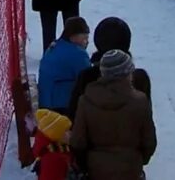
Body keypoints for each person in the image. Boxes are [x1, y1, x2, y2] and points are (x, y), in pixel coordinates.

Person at [68, 49, 157, 180]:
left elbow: (78, 141)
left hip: (96, 170)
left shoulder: (86, 100)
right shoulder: (140, 101)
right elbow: (149, 142)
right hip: (131, 169)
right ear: (127, 73)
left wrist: (87, 164)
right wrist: (138, 160)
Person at [68, 17, 152, 120]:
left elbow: (74, 118)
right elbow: (147, 123)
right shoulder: (140, 79)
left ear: (97, 41)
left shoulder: (86, 77)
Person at [37, 16, 91, 114]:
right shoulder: (78, 54)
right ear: (73, 37)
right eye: (84, 38)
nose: (87, 42)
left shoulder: (54, 47)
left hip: (46, 102)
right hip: (61, 107)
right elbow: (88, 80)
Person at [31, 109, 75, 180]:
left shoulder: (58, 149)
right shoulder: (52, 159)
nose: (70, 133)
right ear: (56, 135)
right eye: (66, 131)